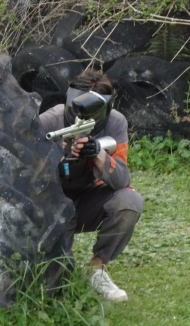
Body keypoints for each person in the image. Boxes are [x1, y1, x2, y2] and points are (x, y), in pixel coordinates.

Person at [38, 69, 143, 302]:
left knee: (129, 201)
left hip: (87, 200)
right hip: (50, 203)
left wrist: (97, 154)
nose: (80, 116)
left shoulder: (115, 122)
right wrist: (59, 157)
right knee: (57, 281)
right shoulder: (50, 121)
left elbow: (122, 179)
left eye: (90, 113)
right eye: (75, 109)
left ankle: (97, 269)